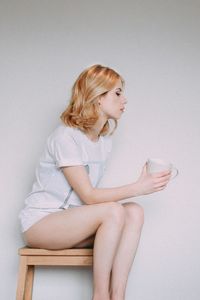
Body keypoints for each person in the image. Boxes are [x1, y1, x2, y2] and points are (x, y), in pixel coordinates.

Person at [19, 64, 171, 300]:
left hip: (74, 223)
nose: (125, 100)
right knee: (112, 211)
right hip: (41, 224)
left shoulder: (103, 142)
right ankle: (99, 296)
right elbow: (89, 196)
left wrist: (139, 190)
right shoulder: (65, 136)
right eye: (117, 93)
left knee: (135, 212)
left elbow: (87, 203)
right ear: (98, 97)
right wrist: (138, 187)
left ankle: (118, 295)